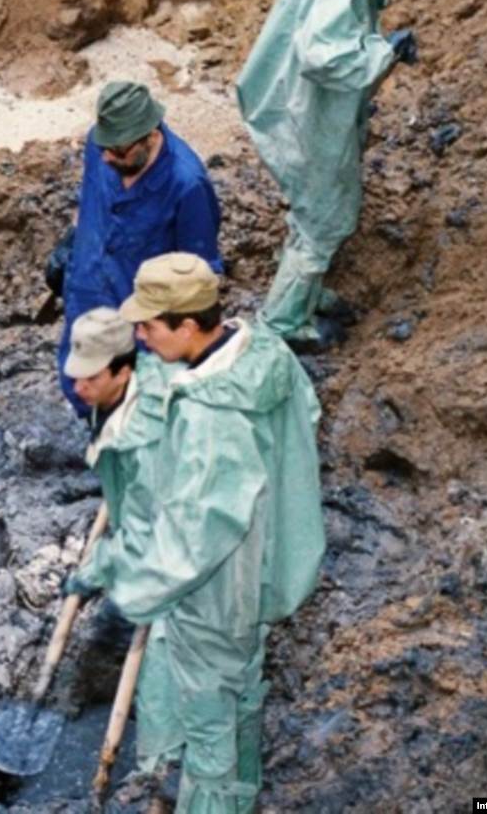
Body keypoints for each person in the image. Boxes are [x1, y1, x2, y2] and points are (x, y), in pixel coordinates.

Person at [66, 253, 324, 812]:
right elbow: (308, 415)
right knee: (243, 694)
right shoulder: (265, 354)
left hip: (219, 590)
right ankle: (245, 795)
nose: (138, 336)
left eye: (149, 326)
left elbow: (195, 538)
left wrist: (124, 583)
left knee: (210, 734)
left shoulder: (212, 416)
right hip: (272, 557)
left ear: (187, 326)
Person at [237, 0, 426, 346]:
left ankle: (305, 291)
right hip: (308, 111)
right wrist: (384, 52)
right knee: (324, 218)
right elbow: (322, 56)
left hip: (288, 95)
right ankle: (283, 323)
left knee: (312, 210)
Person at [53, 81, 222, 417]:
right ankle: (93, 429)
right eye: (104, 147)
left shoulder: (186, 184)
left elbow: (200, 275)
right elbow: (89, 200)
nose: (106, 157)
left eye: (118, 151)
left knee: (135, 404)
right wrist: (71, 245)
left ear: (150, 136)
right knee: (79, 379)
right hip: (87, 287)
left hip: (137, 314)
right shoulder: (100, 145)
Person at [63, 308, 179, 783]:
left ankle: (157, 773)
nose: (78, 389)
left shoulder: (147, 434)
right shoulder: (112, 392)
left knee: (164, 672)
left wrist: (97, 569)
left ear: (123, 370)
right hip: (154, 515)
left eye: (89, 378)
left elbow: (153, 527)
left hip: (195, 548)